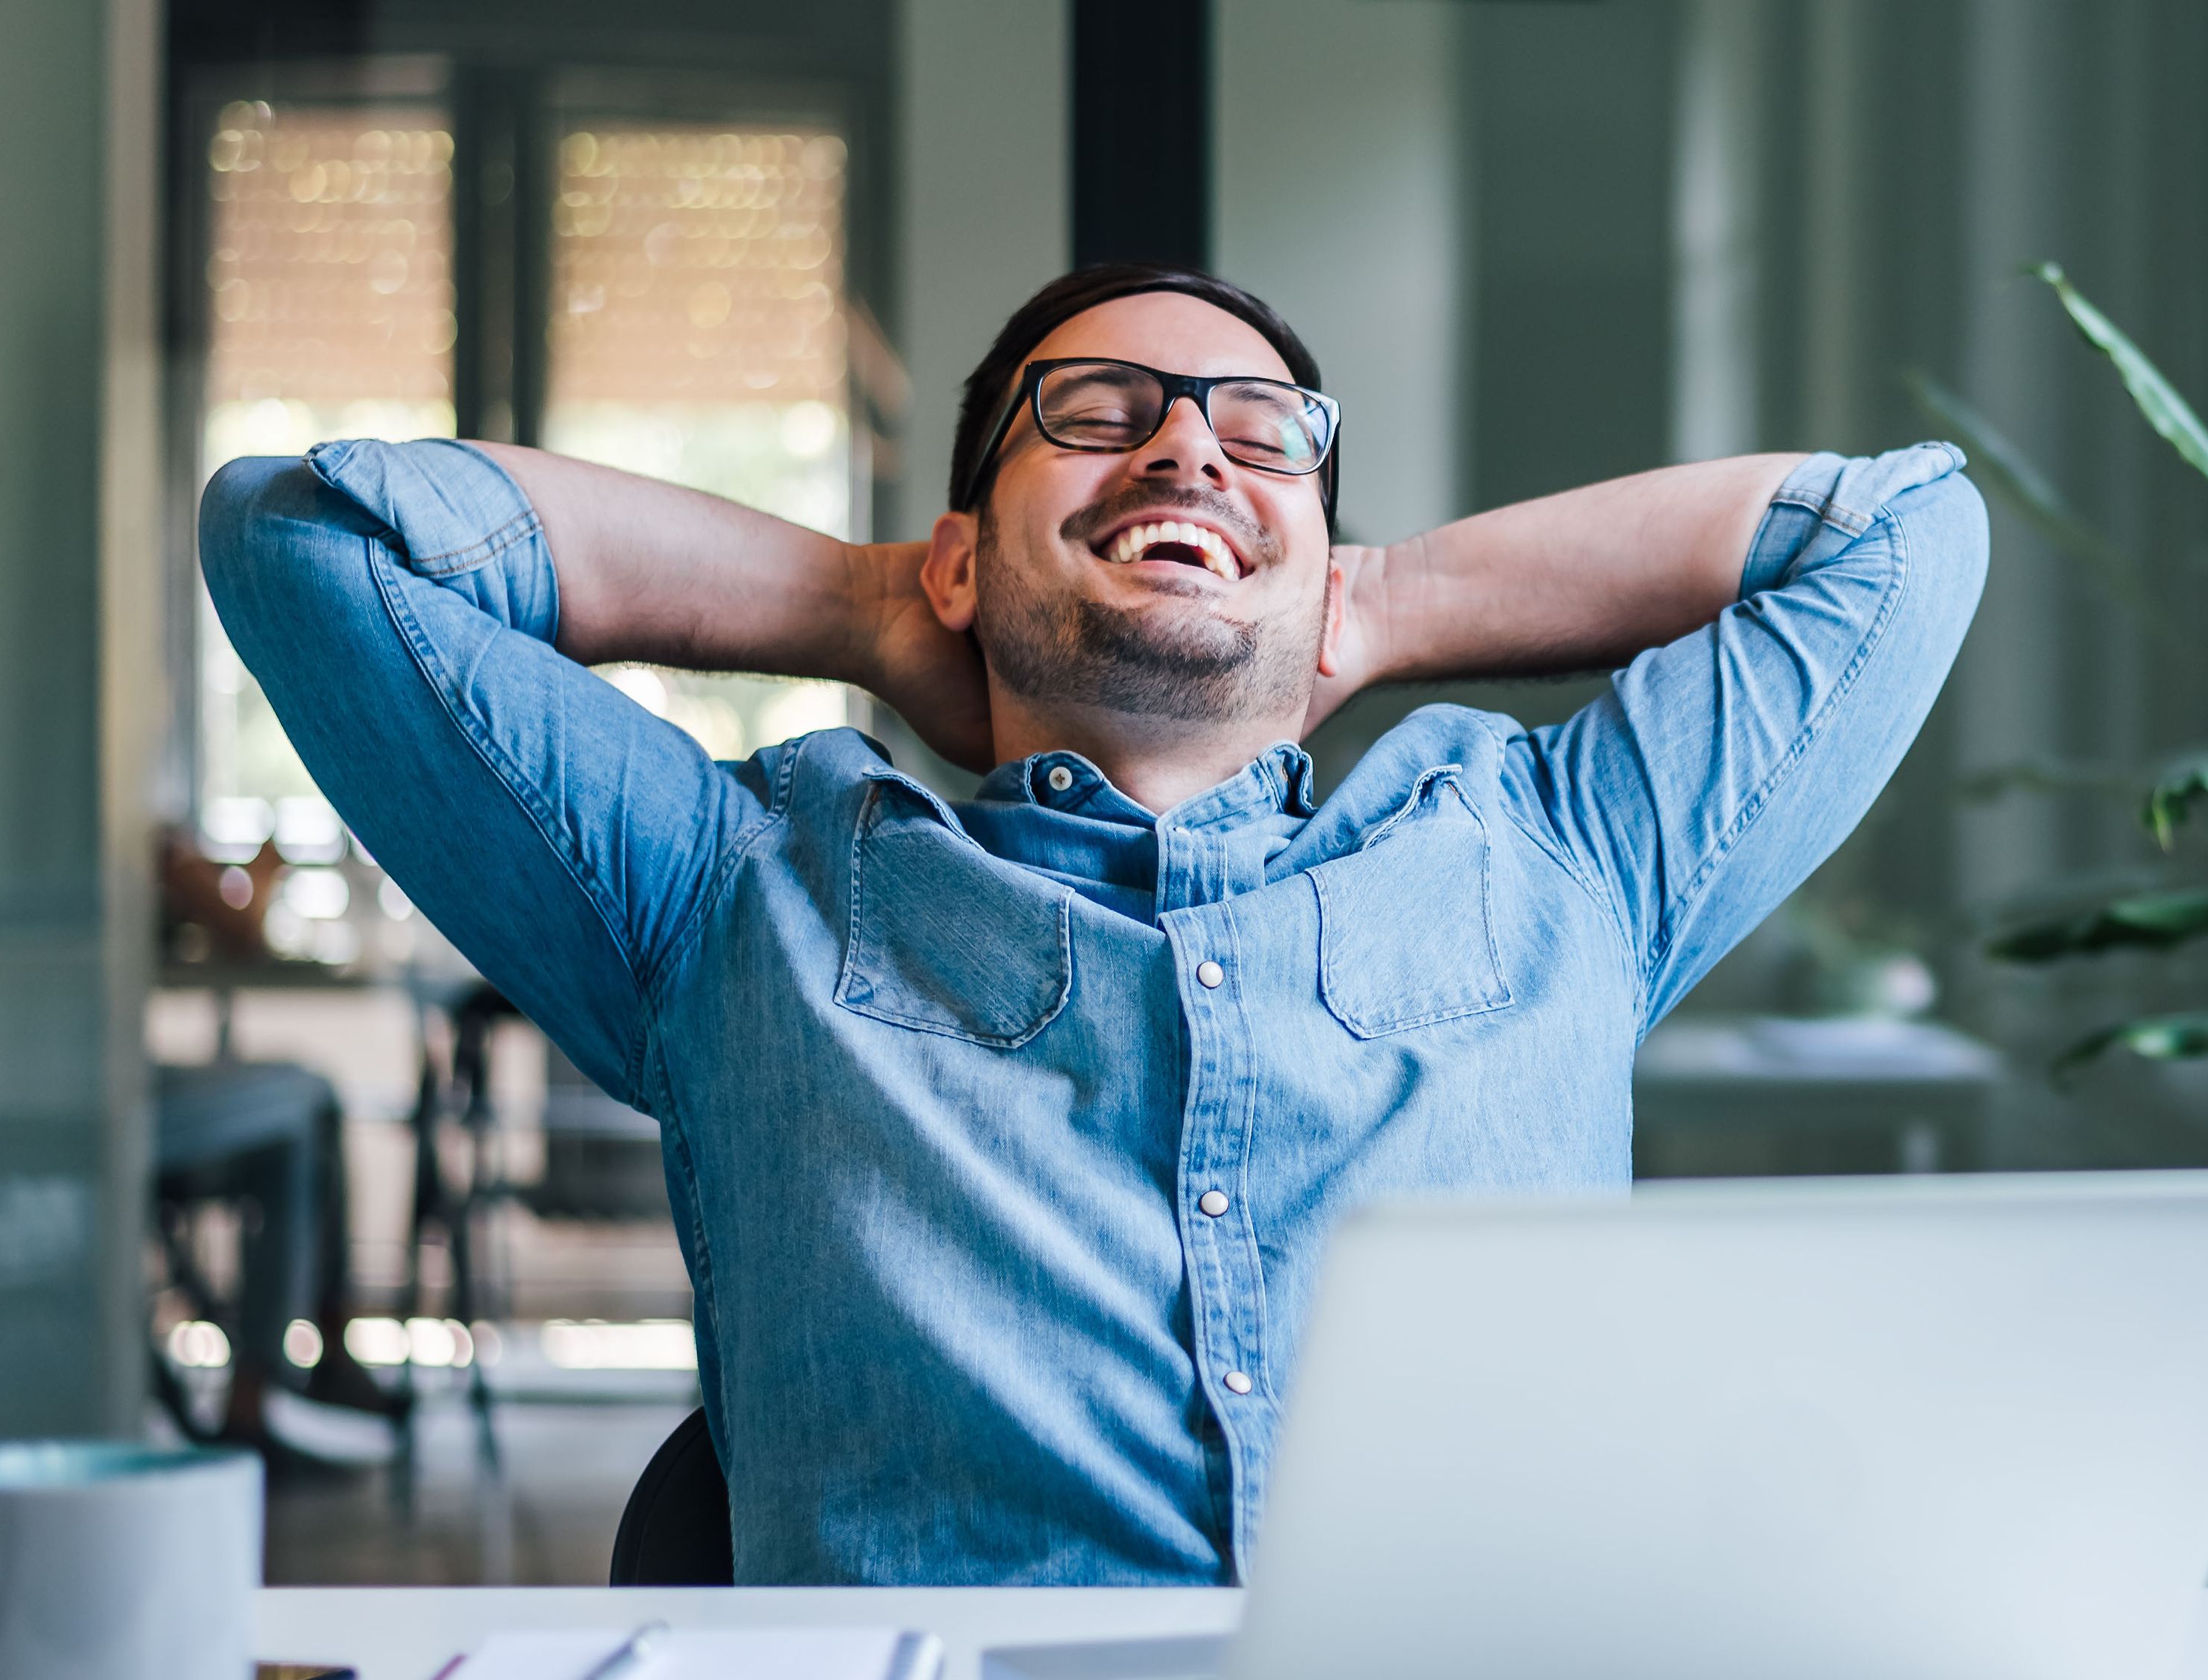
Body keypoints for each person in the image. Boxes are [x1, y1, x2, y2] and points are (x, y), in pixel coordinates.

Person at [199, 262, 1985, 1585]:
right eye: (1097, 412)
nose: (1189, 448)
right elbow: (309, 538)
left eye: (1260, 432)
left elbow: (1902, 535)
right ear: (963, 555)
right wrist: (867, 601)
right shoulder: (734, 892)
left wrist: (1374, 599)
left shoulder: (1563, 856)